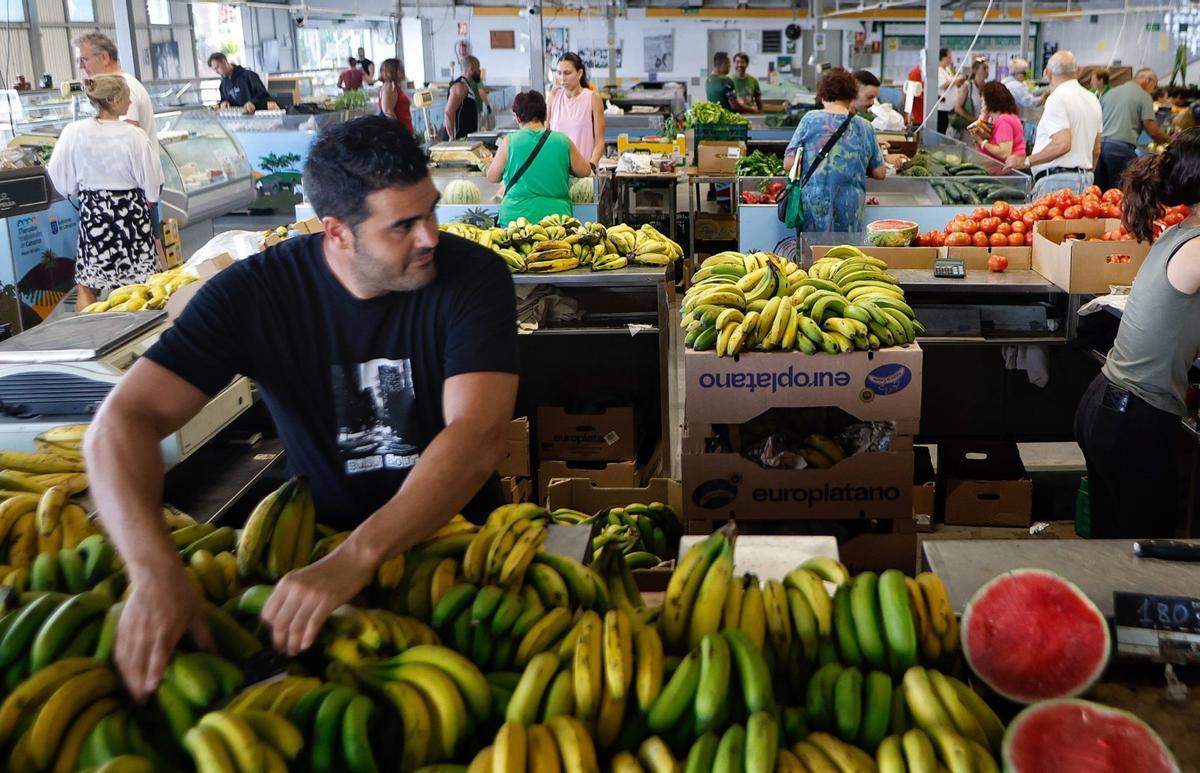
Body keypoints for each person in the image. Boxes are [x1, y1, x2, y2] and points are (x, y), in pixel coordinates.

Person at [84, 115, 518, 700]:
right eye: (403, 226)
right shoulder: (255, 294)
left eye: (432, 210)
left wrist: (362, 553)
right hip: (313, 561)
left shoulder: (474, 279)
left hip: (467, 553)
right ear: (337, 232)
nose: (431, 237)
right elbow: (120, 424)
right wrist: (152, 569)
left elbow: (477, 434)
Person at [1074, 127, 1200, 538]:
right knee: (1147, 551)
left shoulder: (1183, 233)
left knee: (1115, 548)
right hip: (1132, 419)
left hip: (1109, 405)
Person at [47, 75, 163, 310]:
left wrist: (77, 190)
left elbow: (57, 175)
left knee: (87, 286)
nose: (131, 102)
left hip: (94, 214)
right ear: (114, 99)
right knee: (141, 286)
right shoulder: (134, 136)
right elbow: (152, 187)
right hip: (131, 214)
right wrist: (149, 197)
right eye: (128, 98)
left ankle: (90, 340)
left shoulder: (74, 131)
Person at [74, 32, 162, 260]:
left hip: (132, 191)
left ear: (104, 57)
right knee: (147, 251)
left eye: (84, 59)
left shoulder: (122, 88)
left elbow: (126, 139)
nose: (82, 66)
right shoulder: (115, 87)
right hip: (131, 189)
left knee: (145, 254)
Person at [783, 68, 885, 234]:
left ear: (823, 94)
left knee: (813, 256)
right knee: (846, 257)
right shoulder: (864, 126)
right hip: (849, 208)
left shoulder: (810, 119)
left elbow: (788, 164)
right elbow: (880, 172)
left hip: (814, 206)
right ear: (852, 95)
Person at [486, 90, 592, 226]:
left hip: (515, 221)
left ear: (517, 118)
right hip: (556, 221)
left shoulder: (509, 142)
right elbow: (585, 171)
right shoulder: (562, 141)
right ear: (546, 114)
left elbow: (492, 177)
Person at [1022, 51, 1102, 198]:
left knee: (1048, 222)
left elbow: (1063, 144)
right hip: (1085, 180)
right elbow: (1096, 150)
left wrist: (1027, 161)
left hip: (1055, 182)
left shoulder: (1057, 98)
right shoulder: (1093, 99)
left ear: (1048, 73)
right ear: (1077, 71)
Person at [1095, 68, 1172, 190]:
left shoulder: (1110, 93)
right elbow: (1152, 130)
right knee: (1121, 193)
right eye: (1155, 85)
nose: (1154, 89)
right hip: (1120, 150)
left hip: (1099, 148)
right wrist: (1171, 141)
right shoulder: (1144, 96)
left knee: (1101, 194)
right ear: (1148, 80)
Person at [547, 52, 606, 167]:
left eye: (567, 73)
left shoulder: (593, 99)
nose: (562, 78)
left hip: (584, 171)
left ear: (579, 73)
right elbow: (545, 134)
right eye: (559, 73)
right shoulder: (553, 97)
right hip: (557, 169)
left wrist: (591, 166)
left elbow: (600, 142)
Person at [970, 81, 1028, 167]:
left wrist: (981, 142)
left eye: (983, 100)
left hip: (1007, 172)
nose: (982, 105)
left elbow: (1004, 152)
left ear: (990, 101)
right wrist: (982, 119)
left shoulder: (1004, 121)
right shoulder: (1000, 118)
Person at [445, 55, 484, 140]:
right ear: (471, 68)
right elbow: (448, 112)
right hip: (459, 140)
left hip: (465, 139)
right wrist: (452, 137)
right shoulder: (460, 86)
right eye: (478, 68)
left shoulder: (466, 86)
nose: (479, 71)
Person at [952, 57, 989, 135]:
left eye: (988, 68)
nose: (987, 71)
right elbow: (957, 108)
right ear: (975, 70)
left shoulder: (988, 88)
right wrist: (973, 120)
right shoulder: (967, 86)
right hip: (965, 130)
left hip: (980, 129)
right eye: (984, 68)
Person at [377, 58, 413, 134]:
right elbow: (388, 111)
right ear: (392, 71)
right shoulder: (389, 87)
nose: (403, 70)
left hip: (404, 129)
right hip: (398, 133)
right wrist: (399, 132)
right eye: (400, 68)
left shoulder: (394, 87)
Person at [935, 48, 966, 134]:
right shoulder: (938, 70)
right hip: (942, 109)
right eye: (949, 57)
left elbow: (953, 82)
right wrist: (957, 79)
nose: (951, 60)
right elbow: (944, 85)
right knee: (941, 130)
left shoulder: (947, 70)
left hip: (951, 108)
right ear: (943, 58)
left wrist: (959, 80)